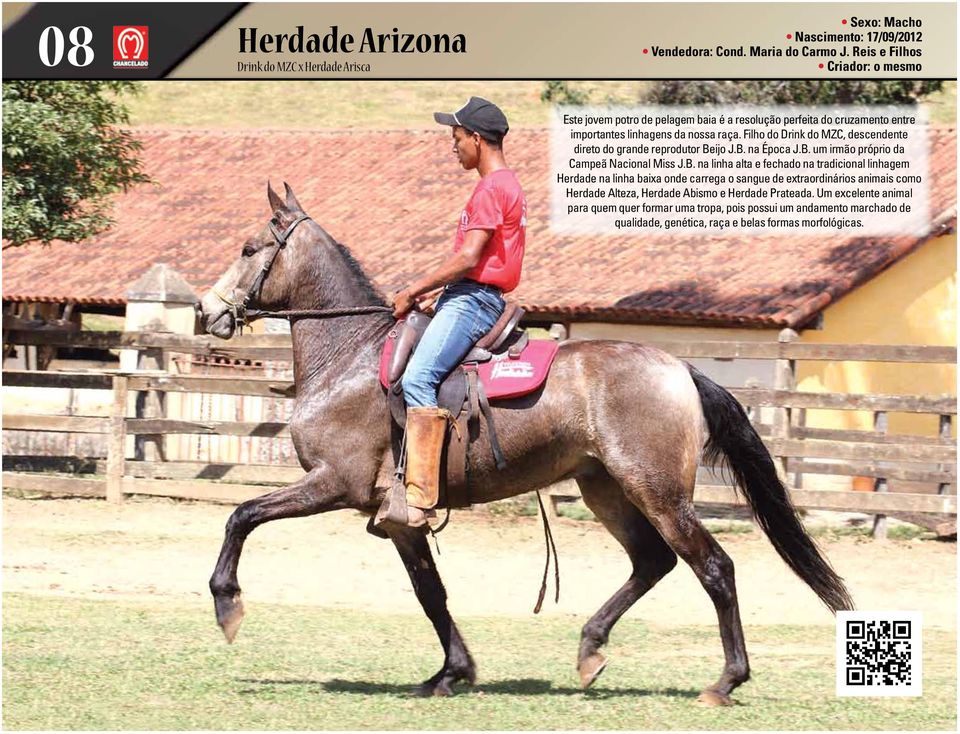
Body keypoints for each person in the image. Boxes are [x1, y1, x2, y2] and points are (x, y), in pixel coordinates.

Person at [386, 96, 527, 528]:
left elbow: (469, 257)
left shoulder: (490, 188)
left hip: (473, 299)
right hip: (468, 294)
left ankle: (421, 499)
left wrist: (412, 290)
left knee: (417, 377)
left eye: (457, 137)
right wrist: (439, 294)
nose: (454, 146)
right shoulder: (508, 184)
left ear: (477, 140)